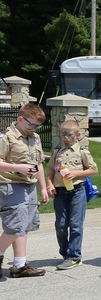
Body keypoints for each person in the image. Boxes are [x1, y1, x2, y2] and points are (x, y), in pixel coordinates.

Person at [0, 103, 49, 278]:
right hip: (10, 186)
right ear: (20, 119)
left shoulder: (34, 138)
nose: (34, 129)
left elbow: (39, 164)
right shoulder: (6, 137)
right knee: (15, 226)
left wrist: (43, 188)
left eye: (38, 126)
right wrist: (18, 168)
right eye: (32, 125)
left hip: (29, 187)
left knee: (24, 227)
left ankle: (19, 266)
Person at [46, 119, 98, 270]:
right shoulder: (57, 152)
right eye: (63, 135)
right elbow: (50, 172)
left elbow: (94, 170)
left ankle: (74, 256)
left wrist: (75, 173)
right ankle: (65, 253)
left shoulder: (82, 152)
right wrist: (50, 185)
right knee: (61, 225)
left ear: (77, 135)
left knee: (75, 225)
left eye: (69, 135)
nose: (66, 138)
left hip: (77, 191)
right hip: (60, 192)